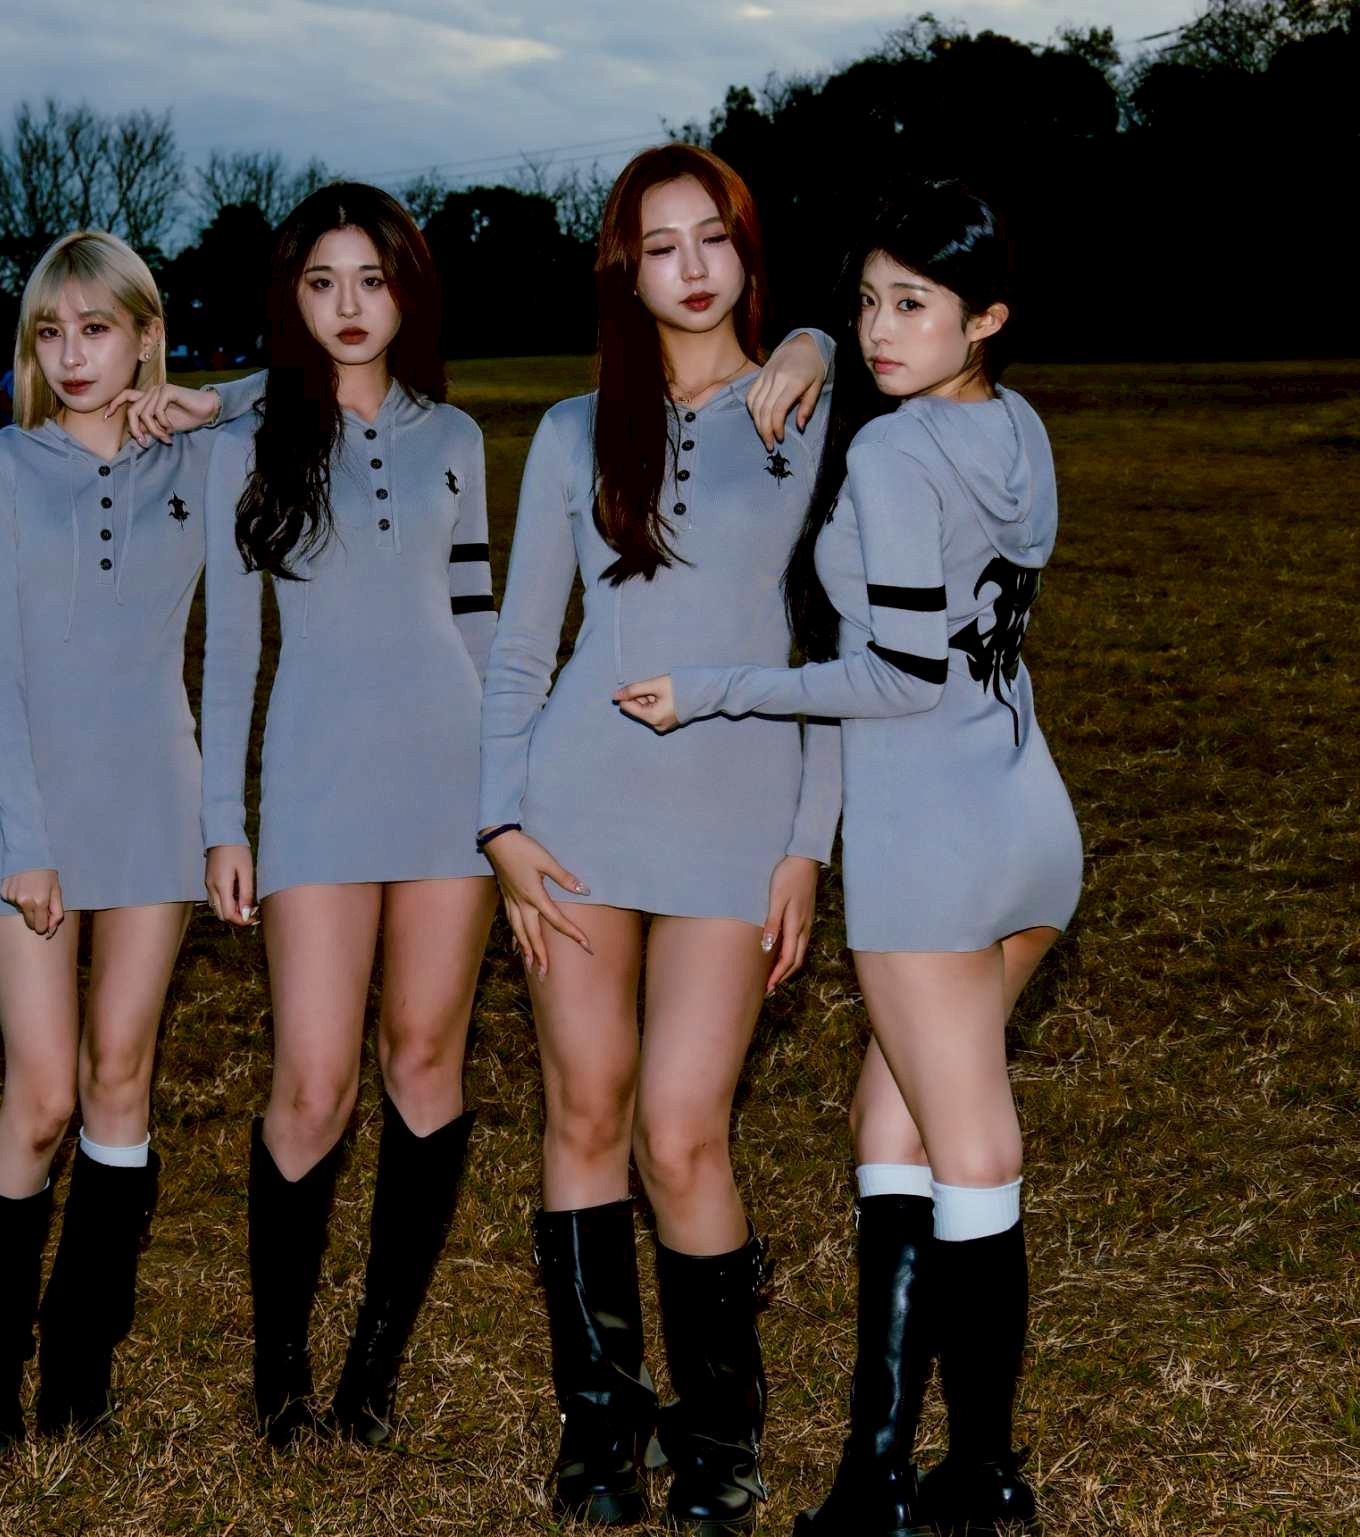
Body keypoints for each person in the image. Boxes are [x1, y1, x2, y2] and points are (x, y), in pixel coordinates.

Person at [614, 181, 1080, 1537]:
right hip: (1029, 822)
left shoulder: (889, 454)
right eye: (868, 301)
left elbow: (896, 677)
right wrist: (815, 340)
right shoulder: (1015, 427)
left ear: (984, 317)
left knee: (971, 1146)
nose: (880, 330)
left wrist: (716, 689)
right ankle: (876, 1471)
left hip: (933, 841)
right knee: (893, 1124)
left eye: (912, 306)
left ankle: (982, 1476)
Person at [478, 142, 835, 1530]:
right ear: (624, 271)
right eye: (660, 245)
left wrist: (807, 844)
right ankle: (600, 1431)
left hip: (739, 814)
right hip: (576, 810)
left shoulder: (808, 411)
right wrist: (500, 821)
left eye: (713, 238)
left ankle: (722, 1439)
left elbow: (831, 648)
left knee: (683, 1131)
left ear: (747, 252)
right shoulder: (574, 431)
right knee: (584, 1107)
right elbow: (522, 651)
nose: (690, 269)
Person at [0, 230, 262, 1456]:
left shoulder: (206, 457)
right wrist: (26, 840)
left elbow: (317, 383)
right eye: (50, 332)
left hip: (156, 804)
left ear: (144, 335)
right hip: (30, 814)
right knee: (41, 1094)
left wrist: (223, 825)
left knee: (122, 1077)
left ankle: (79, 1364)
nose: (72, 355)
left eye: (96, 329)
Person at [200, 182, 497, 1449]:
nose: (348, 305)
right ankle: (281, 1375)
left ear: (406, 289)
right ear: (292, 300)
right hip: (315, 783)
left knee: (424, 1061)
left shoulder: (456, 437)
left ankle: (372, 1372)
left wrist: (509, 795)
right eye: (320, 283)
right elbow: (229, 654)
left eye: (371, 279)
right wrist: (223, 820)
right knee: (313, 1082)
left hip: (450, 782)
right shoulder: (245, 438)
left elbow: (479, 623)